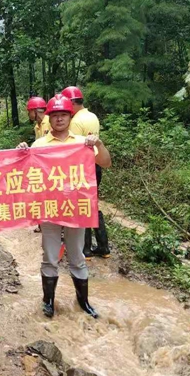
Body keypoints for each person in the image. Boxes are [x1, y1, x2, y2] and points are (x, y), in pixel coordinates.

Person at [17, 94, 111, 318]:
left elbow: (106, 163)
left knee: (77, 256)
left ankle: (83, 302)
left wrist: (98, 143)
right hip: (49, 208)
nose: (59, 119)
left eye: (63, 115)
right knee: (50, 256)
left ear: (70, 117)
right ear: (48, 118)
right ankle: (48, 301)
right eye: (55, 115)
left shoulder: (82, 143)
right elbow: (24, 175)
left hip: (75, 208)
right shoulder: (39, 145)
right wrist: (21, 153)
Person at [61, 86, 109, 259]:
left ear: (72, 103)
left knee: (82, 205)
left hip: (82, 168)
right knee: (93, 203)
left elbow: (72, 149)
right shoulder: (92, 116)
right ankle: (103, 246)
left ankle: (85, 249)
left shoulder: (75, 122)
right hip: (95, 165)